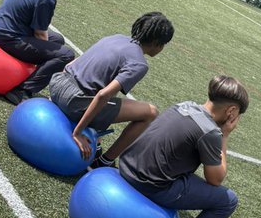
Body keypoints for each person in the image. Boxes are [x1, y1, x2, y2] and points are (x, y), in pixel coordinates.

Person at [118, 75, 247, 218]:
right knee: (228, 200)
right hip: (149, 184)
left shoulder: (184, 105)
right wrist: (224, 136)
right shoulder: (211, 132)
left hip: (126, 166)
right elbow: (215, 179)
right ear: (231, 111)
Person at [48, 13, 174, 167]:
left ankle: (97, 142)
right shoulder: (139, 64)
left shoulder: (115, 37)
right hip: (73, 100)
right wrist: (78, 132)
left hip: (56, 84)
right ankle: (104, 161)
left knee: (110, 93)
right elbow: (102, 95)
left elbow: (73, 64)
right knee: (151, 112)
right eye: (163, 45)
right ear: (156, 43)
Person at [0, 0, 84, 104]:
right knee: (66, 55)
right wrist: (46, 54)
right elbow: (40, 34)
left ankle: (28, 77)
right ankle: (22, 91)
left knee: (57, 39)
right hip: (7, 37)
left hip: (3, 29)